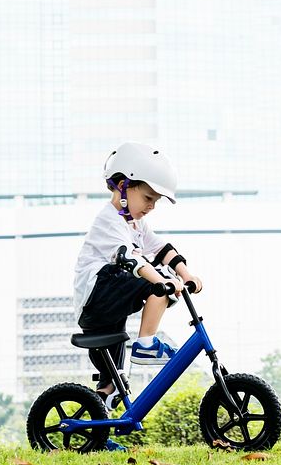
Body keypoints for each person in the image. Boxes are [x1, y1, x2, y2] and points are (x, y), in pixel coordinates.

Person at [74, 142, 203, 409]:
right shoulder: (108, 220)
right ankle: (145, 344)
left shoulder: (135, 224)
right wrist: (161, 282)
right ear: (123, 185)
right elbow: (129, 258)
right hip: (97, 297)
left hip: (108, 312)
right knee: (153, 286)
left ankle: (99, 427)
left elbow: (158, 248)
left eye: (155, 202)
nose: (151, 207)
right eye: (147, 198)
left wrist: (185, 273)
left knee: (114, 386)